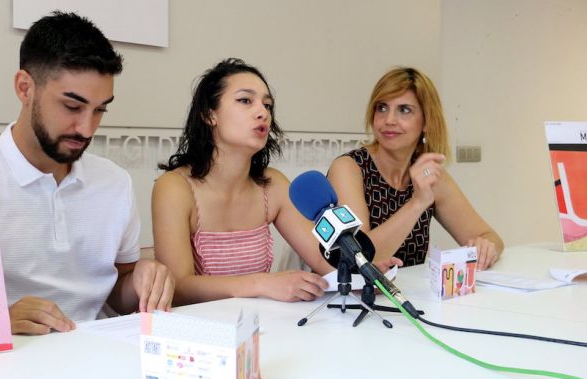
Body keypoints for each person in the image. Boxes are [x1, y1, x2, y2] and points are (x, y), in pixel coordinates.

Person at [0, 12, 174, 335]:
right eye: (72, 107)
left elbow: (118, 292)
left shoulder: (115, 183)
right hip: (4, 364)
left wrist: (142, 281)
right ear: (24, 87)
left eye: (100, 109)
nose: (87, 128)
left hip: (100, 356)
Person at [153, 58, 352, 305]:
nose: (263, 113)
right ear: (209, 114)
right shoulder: (174, 187)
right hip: (200, 333)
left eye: (267, 105)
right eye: (245, 100)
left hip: (259, 327)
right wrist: (263, 283)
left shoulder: (274, 185)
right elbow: (179, 286)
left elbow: (325, 262)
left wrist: (362, 272)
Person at [327, 67, 504, 269]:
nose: (389, 120)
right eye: (382, 108)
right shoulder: (349, 169)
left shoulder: (427, 173)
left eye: (404, 110)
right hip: (352, 296)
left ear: (427, 121)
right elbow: (359, 256)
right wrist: (417, 203)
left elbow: (491, 238)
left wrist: (485, 247)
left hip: (410, 295)